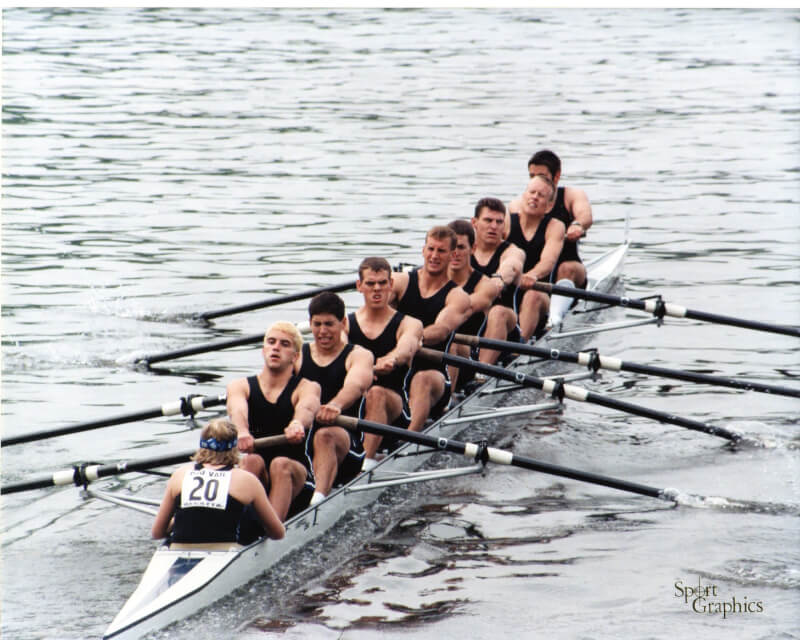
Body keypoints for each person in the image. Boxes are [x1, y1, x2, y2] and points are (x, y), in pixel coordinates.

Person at [226, 322, 321, 521]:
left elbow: (307, 407)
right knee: (251, 460)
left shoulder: (307, 387)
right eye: (271, 342)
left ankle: (271, 532)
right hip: (259, 475)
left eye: (285, 344)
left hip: (298, 480)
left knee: (280, 464)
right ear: (263, 350)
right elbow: (237, 409)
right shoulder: (239, 386)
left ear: (295, 357)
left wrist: (297, 424)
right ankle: (235, 527)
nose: (276, 347)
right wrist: (242, 432)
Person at [151, 418, 285, 545]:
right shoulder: (247, 480)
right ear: (234, 448)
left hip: (178, 548)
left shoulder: (179, 474)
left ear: (202, 445)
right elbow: (278, 534)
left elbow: (157, 533)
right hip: (229, 550)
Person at [296, 292, 374, 505]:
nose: (322, 331)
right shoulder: (297, 355)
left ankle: (317, 503)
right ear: (309, 324)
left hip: (347, 446)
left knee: (325, 436)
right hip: (302, 440)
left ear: (343, 323)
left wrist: (335, 405)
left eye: (329, 324)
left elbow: (356, 385)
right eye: (317, 324)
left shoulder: (358, 355)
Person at [392, 225, 471, 430]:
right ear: (423, 250)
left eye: (441, 251)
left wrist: (408, 341)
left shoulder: (457, 296)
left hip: (434, 375)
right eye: (431, 249)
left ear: (452, 255)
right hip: (397, 367)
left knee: (422, 378)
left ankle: (408, 440)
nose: (434, 256)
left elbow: (440, 330)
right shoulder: (399, 283)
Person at [347, 256, 423, 470]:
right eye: (370, 283)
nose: (377, 289)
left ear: (391, 285)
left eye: (382, 283)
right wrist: (369, 368)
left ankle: (365, 464)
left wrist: (392, 359)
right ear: (359, 286)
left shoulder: (409, 323)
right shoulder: (345, 325)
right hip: (354, 406)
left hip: (395, 413)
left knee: (376, 393)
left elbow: (406, 348)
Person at [445, 217, 515, 390]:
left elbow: (460, 312)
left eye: (461, 247)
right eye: (450, 247)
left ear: (473, 249)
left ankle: (449, 402)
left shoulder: (484, 286)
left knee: (452, 345)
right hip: (434, 350)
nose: (455, 253)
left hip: (467, 356)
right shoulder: (429, 279)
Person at [510, 149, 593, 288]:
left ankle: (559, 307)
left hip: (567, 265)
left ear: (556, 176)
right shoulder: (518, 205)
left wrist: (578, 225)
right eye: (532, 176)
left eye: (542, 175)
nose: (537, 180)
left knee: (567, 269)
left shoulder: (571, 195)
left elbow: (585, 215)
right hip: (531, 273)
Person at [505, 175, 565, 340]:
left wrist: (532, 275)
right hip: (507, 287)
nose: (534, 197)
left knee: (533, 295)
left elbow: (548, 261)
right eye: (532, 192)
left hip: (538, 292)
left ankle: (518, 349)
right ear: (524, 195)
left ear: (549, 205)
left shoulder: (555, 227)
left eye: (541, 195)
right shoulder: (506, 222)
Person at [467, 198, 526, 361]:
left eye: (499, 222)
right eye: (488, 220)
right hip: (468, 327)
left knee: (497, 312)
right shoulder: (463, 252)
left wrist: (499, 278)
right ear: (475, 222)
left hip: (506, 330)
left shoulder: (512, 251)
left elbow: (512, 265)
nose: (494, 226)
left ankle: (482, 373)